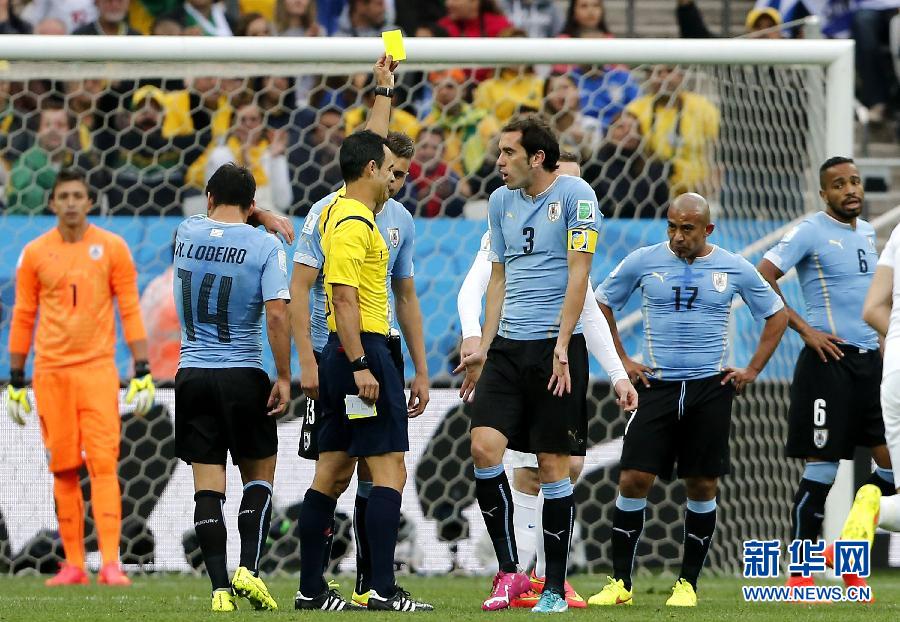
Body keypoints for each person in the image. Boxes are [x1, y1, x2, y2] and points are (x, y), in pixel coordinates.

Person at [455, 150, 637, 609]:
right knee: (506, 459)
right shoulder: (506, 221)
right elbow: (476, 288)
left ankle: (543, 576)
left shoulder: (574, 245)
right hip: (513, 353)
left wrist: (617, 374)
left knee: (565, 468)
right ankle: (517, 572)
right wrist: (476, 340)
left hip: (557, 355)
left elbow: (590, 311)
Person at [589, 193, 787, 607]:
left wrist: (752, 369)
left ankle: (687, 585)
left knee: (701, 483)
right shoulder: (644, 260)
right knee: (633, 478)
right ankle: (619, 583)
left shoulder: (733, 266)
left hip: (709, 388)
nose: (678, 236)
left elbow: (776, 313)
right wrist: (624, 360)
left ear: (707, 230)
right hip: (657, 386)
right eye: (672, 227)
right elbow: (601, 303)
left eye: (688, 229)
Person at [293, 129, 433, 612]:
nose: (396, 178)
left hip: (343, 354)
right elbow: (343, 296)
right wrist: (359, 364)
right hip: (363, 351)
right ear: (372, 168)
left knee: (331, 472)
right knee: (390, 469)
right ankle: (380, 588)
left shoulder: (341, 213)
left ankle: (311, 589)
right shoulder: (353, 221)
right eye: (389, 168)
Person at [5, 168, 157, 587]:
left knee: (105, 463)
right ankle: (73, 563)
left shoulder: (111, 248)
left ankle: (110, 561)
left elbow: (130, 308)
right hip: (50, 372)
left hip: (97, 370)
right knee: (64, 468)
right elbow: (23, 316)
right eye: (64, 196)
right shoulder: (35, 253)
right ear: (52, 203)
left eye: (78, 196)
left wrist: (142, 368)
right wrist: (16, 377)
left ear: (89, 203)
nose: (71, 202)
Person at [757, 156, 895, 591]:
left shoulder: (870, 233)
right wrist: (806, 329)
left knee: (892, 470)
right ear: (824, 193)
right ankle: (799, 572)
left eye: (855, 181)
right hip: (827, 364)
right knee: (823, 469)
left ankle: (852, 531)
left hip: (871, 363)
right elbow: (762, 275)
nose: (851, 189)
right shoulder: (811, 230)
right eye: (839, 184)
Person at [171, 163, 292, 612]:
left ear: (207, 197)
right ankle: (249, 569)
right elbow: (277, 313)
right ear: (251, 203)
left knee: (208, 488)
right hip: (242, 372)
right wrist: (283, 376)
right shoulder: (265, 246)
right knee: (258, 477)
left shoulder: (185, 232)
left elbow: (217, 223)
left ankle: (220, 590)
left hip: (192, 376)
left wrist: (252, 212)